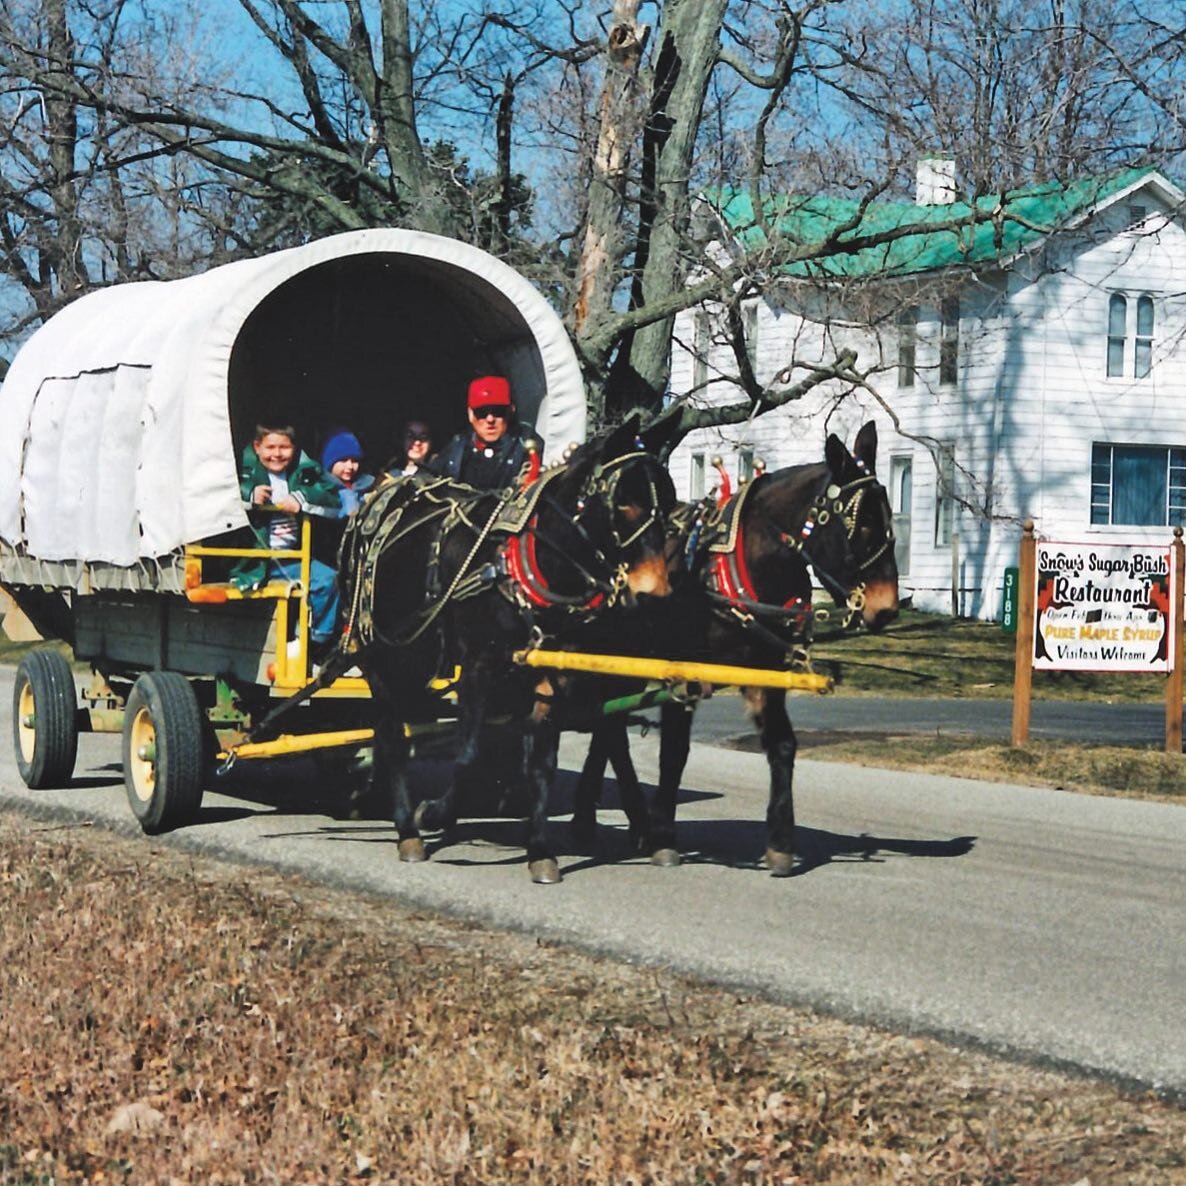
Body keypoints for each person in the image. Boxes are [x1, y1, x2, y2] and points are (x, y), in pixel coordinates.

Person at [232, 422, 342, 650]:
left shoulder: (304, 471)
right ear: (257, 447)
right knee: (319, 582)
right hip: (256, 559)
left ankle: (318, 639)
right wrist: (248, 496)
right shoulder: (242, 470)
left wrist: (302, 498)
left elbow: (333, 499)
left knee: (330, 580)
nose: (277, 454)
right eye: (270, 447)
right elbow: (215, 497)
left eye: (284, 447)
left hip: (293, 558)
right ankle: (312, 643)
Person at [424, 375, 543, 490]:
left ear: (510, 411)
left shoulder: (526, 444)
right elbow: (428, 477)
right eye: (481, 412)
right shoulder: (458, 447)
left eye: (498, 411)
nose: (490, 419)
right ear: (470, 415)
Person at [320, 428, 375, 516]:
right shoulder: (322, 488)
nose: (350, 466)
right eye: (343, 460)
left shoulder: (367, 488)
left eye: (354, 461)